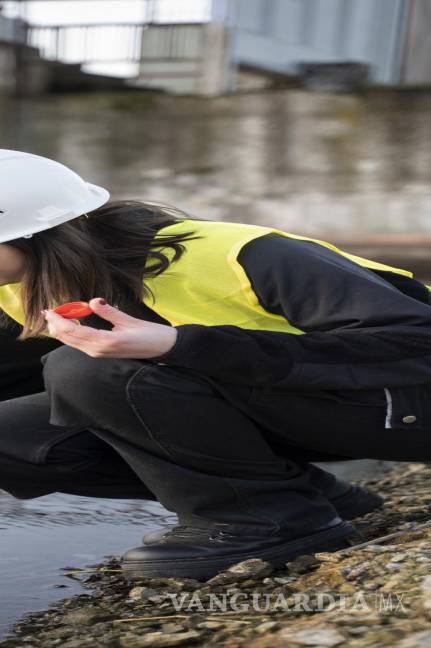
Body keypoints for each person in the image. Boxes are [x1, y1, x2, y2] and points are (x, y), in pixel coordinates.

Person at [1, 149, 431, 581]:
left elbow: (414, 343)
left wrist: (178, 344)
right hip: (299, 408)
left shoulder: (236, 255)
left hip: (405, 406)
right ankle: (305, 498)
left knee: (86, 371)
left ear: (32, 235)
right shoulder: (18, 284)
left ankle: (266, 522)